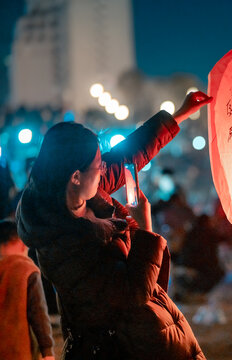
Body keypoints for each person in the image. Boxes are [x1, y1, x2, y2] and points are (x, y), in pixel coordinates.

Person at [16, 91, 212, 359]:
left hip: (145, 334)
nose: (104, 170)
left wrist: (178, 114)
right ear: (75, 176)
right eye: (98, 165)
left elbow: (125, 156)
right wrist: (144, 230)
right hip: (119, 349)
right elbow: (131, 295)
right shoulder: (61, 246)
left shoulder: (85, 193)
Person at [0, 219, 55, 360]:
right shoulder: (26, 270)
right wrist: (47, 351)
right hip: (18, 351)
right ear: (20, 242)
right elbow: (38, 314)